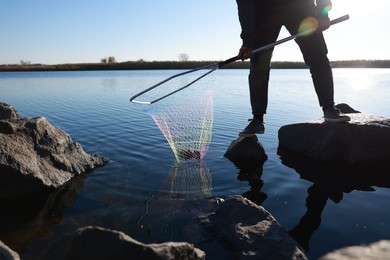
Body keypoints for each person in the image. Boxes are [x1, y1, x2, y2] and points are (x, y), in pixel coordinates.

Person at [236, 0, 350, 137]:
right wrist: (248, 41)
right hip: (264, 12)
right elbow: (245, 4)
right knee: (259, 64)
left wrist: (322, 13)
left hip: (300, 8)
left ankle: (329, 109)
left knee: (318, 55)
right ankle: (257, 120)